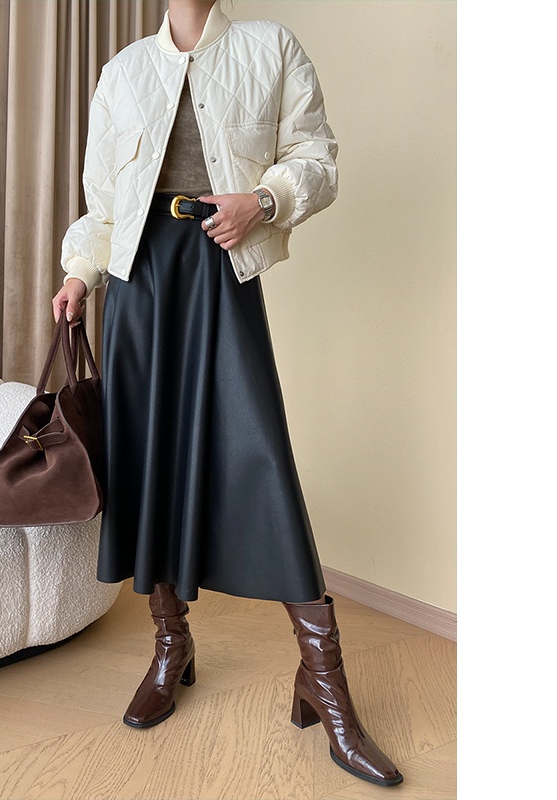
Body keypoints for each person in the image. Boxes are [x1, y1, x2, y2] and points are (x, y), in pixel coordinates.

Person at [52, 0, 403, 788]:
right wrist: (79, 274)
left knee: (260, 459)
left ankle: (324, 680)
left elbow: (317, 155)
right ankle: (170, 646)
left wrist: (264, 201)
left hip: (220, 267)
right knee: (149, 461)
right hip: (138, 285)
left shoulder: (269, 48)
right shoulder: (122, 72)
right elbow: (105, 203)